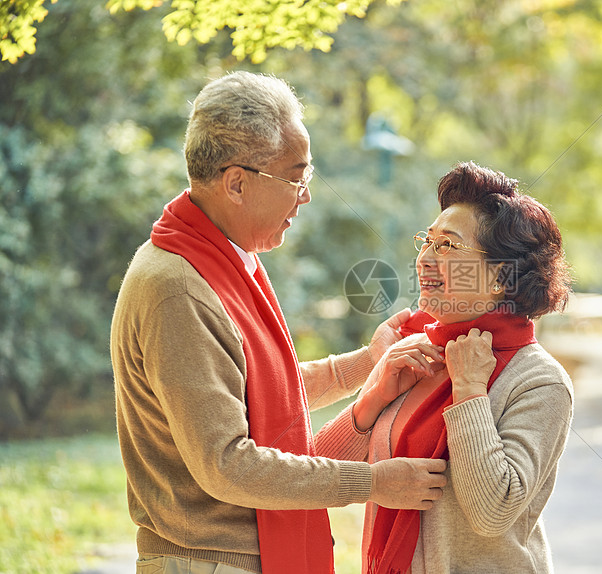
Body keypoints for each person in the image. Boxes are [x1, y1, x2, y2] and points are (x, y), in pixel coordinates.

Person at [110, 71, 447, 574]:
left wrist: (367, 363)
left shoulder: (221, 256)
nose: (305, 196)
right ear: (237, 182)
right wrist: (373, 481)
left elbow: (254, 394)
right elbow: (228, 464)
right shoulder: (177, 286)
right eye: (297, 178)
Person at [316, 161, 575, 573]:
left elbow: (494, 511)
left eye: (448, 246)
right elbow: (315, 470)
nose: (425, 259)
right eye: (427, 240)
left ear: (498, 277)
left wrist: (470, 390)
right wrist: (374, 396)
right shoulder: (414, 353)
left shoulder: (537, 381)